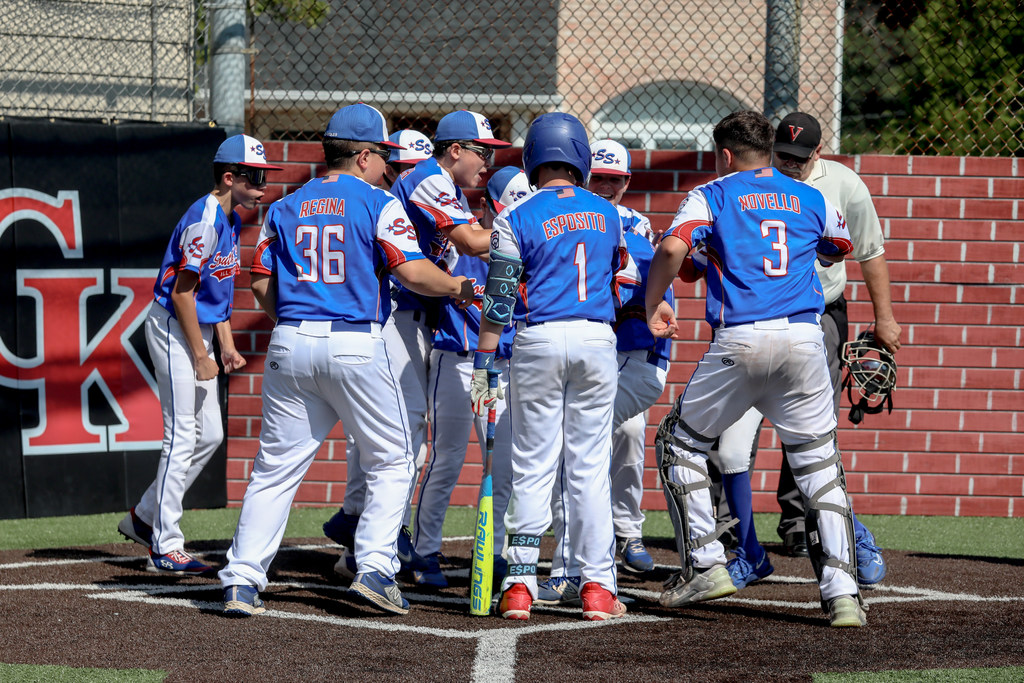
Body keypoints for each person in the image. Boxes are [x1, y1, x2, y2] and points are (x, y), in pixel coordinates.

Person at [218, 103, 473, 617]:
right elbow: (413, 273)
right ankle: (376, 567)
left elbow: (261, 280)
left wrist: (291, 322)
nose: (389, 166)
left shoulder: (286, 205)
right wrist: (459, 287)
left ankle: (242, 580)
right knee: (396, 458)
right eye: (383, 156)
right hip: (355, 342)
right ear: (361, 156)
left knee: (274, 469)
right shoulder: (377, 201)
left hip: (289, 343)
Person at [645, 110, 867, 627]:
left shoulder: (713, 192)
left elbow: (674, 247)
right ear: (769, 149)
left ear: (724, 155)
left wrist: (656, 300)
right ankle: (843, 594)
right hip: (807, 338)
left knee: (679, 442)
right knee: (818, 465)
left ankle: (705, 563)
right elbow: (837, 251)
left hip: (741, 338)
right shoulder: (813, 195)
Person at [711, 111, 901, 591]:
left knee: (813, 439)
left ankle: (832, 533)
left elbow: (867, 252)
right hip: (753, 321)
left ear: (818, 152)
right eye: (784, 155)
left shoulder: (840, 184)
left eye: (800, 157)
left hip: (816, 317)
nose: (791, 164)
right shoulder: (752, 183)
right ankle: (743, 547)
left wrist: (884, 318)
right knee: (730, 442)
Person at [472, 112, 631, 622]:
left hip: (537, 338)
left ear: (531, 158)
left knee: (533, 463)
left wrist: (483, 361)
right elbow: (618, 277)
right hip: (596, 337)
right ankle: (598, 587)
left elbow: (499, 297)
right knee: (587, 467)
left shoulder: (515, 214)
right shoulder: (608, 213)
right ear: (581, 159)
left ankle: (519, 582)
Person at [117, 134, 279, 575]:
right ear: (230, 178)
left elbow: (218, 291)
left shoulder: (230, 217)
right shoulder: (206, 218)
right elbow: (182, 294)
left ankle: (144, 517)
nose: (264, 184)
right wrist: (200, 353)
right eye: (255, 176)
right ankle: (164, 544)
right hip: (173, 325)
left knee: (209, 436)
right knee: (182, 434)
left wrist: (225, 346)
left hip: (200, 329)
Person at [537, 139, 671, 606]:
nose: (608, 185)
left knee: (585, 452)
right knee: (577, 455)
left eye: (616, 178)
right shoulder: (591, 220)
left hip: (635, 359)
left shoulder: (631, 227)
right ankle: (583, 565)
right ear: (582, 176)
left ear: (627, 182)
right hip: (600, 357)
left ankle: (595, 555)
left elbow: (642, 291)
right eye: (600, 177)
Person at [321, 127, 435, 580]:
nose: (401, 175)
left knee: (386, 437)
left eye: (410, 168)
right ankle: (363, 540)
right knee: (399, 439)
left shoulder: (379, 198)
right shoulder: (378, 201)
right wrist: (460, 287)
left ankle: (354, 523)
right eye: (399, 166)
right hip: (387, 321)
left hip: (392, 323)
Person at [410, 167, 531, 589]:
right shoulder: (457, 247)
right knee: (447, 460)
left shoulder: (526, 248)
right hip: (458, 361)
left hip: (502, 365)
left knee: (503, 466)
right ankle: (424, 551)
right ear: (485, 206)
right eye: (503, 209)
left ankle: (495, 555)